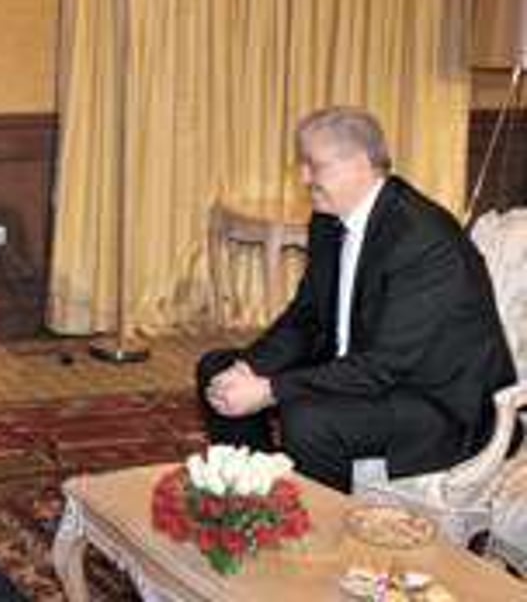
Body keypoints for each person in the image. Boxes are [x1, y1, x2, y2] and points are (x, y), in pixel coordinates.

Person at [198, 106, 516, 492]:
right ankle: (257, 496)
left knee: (310, 420)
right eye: (302, 164)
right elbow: (307, 318)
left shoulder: (420, 239)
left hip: (437, 400)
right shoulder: (329, 218)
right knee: (218, 370)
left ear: (361, 164)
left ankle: (318, 533)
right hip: (364, 367)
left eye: (314, 166)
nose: (303, 177)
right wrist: (250, 369)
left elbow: (385, 366)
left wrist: (269, 390)